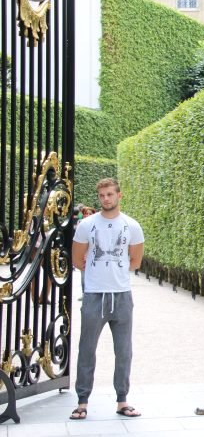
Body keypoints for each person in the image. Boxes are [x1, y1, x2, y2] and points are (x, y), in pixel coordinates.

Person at [69, 178, 144, 420]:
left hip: (121, 295)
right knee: (87, 349)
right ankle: (82, 401)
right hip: (94, 294)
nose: (106, 199)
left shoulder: (132, 226)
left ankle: (122, 400)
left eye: (110, 194)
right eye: (102, 195)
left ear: (119, 196)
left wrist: (114, 272)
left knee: (124, 351)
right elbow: (77, 260)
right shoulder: (87, 225)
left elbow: (136, 261)